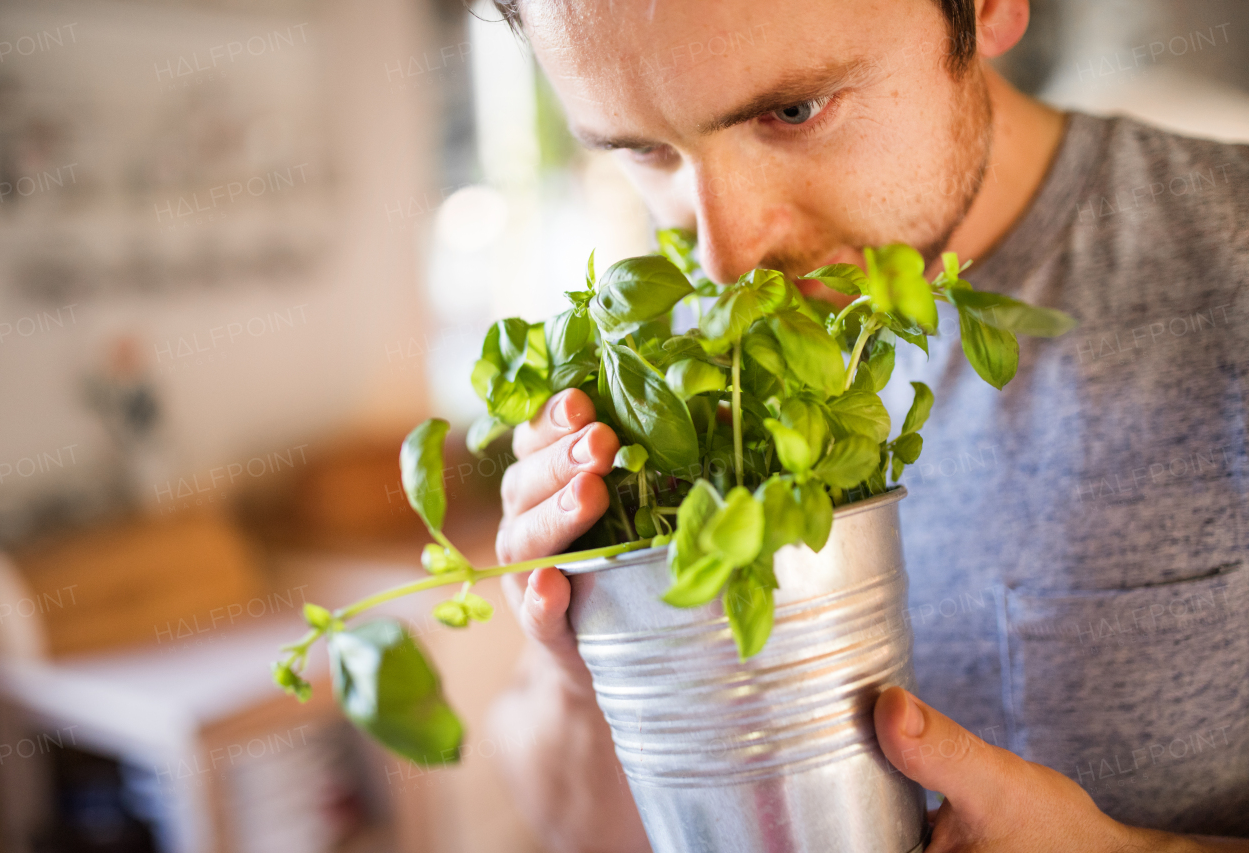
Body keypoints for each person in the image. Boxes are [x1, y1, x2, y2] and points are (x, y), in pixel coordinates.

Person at [484, 0, 1249, 850]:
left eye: (794, 111)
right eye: (646, 150)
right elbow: (580, 832)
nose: (725, 261)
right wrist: (591, 661)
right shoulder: (671, 382)